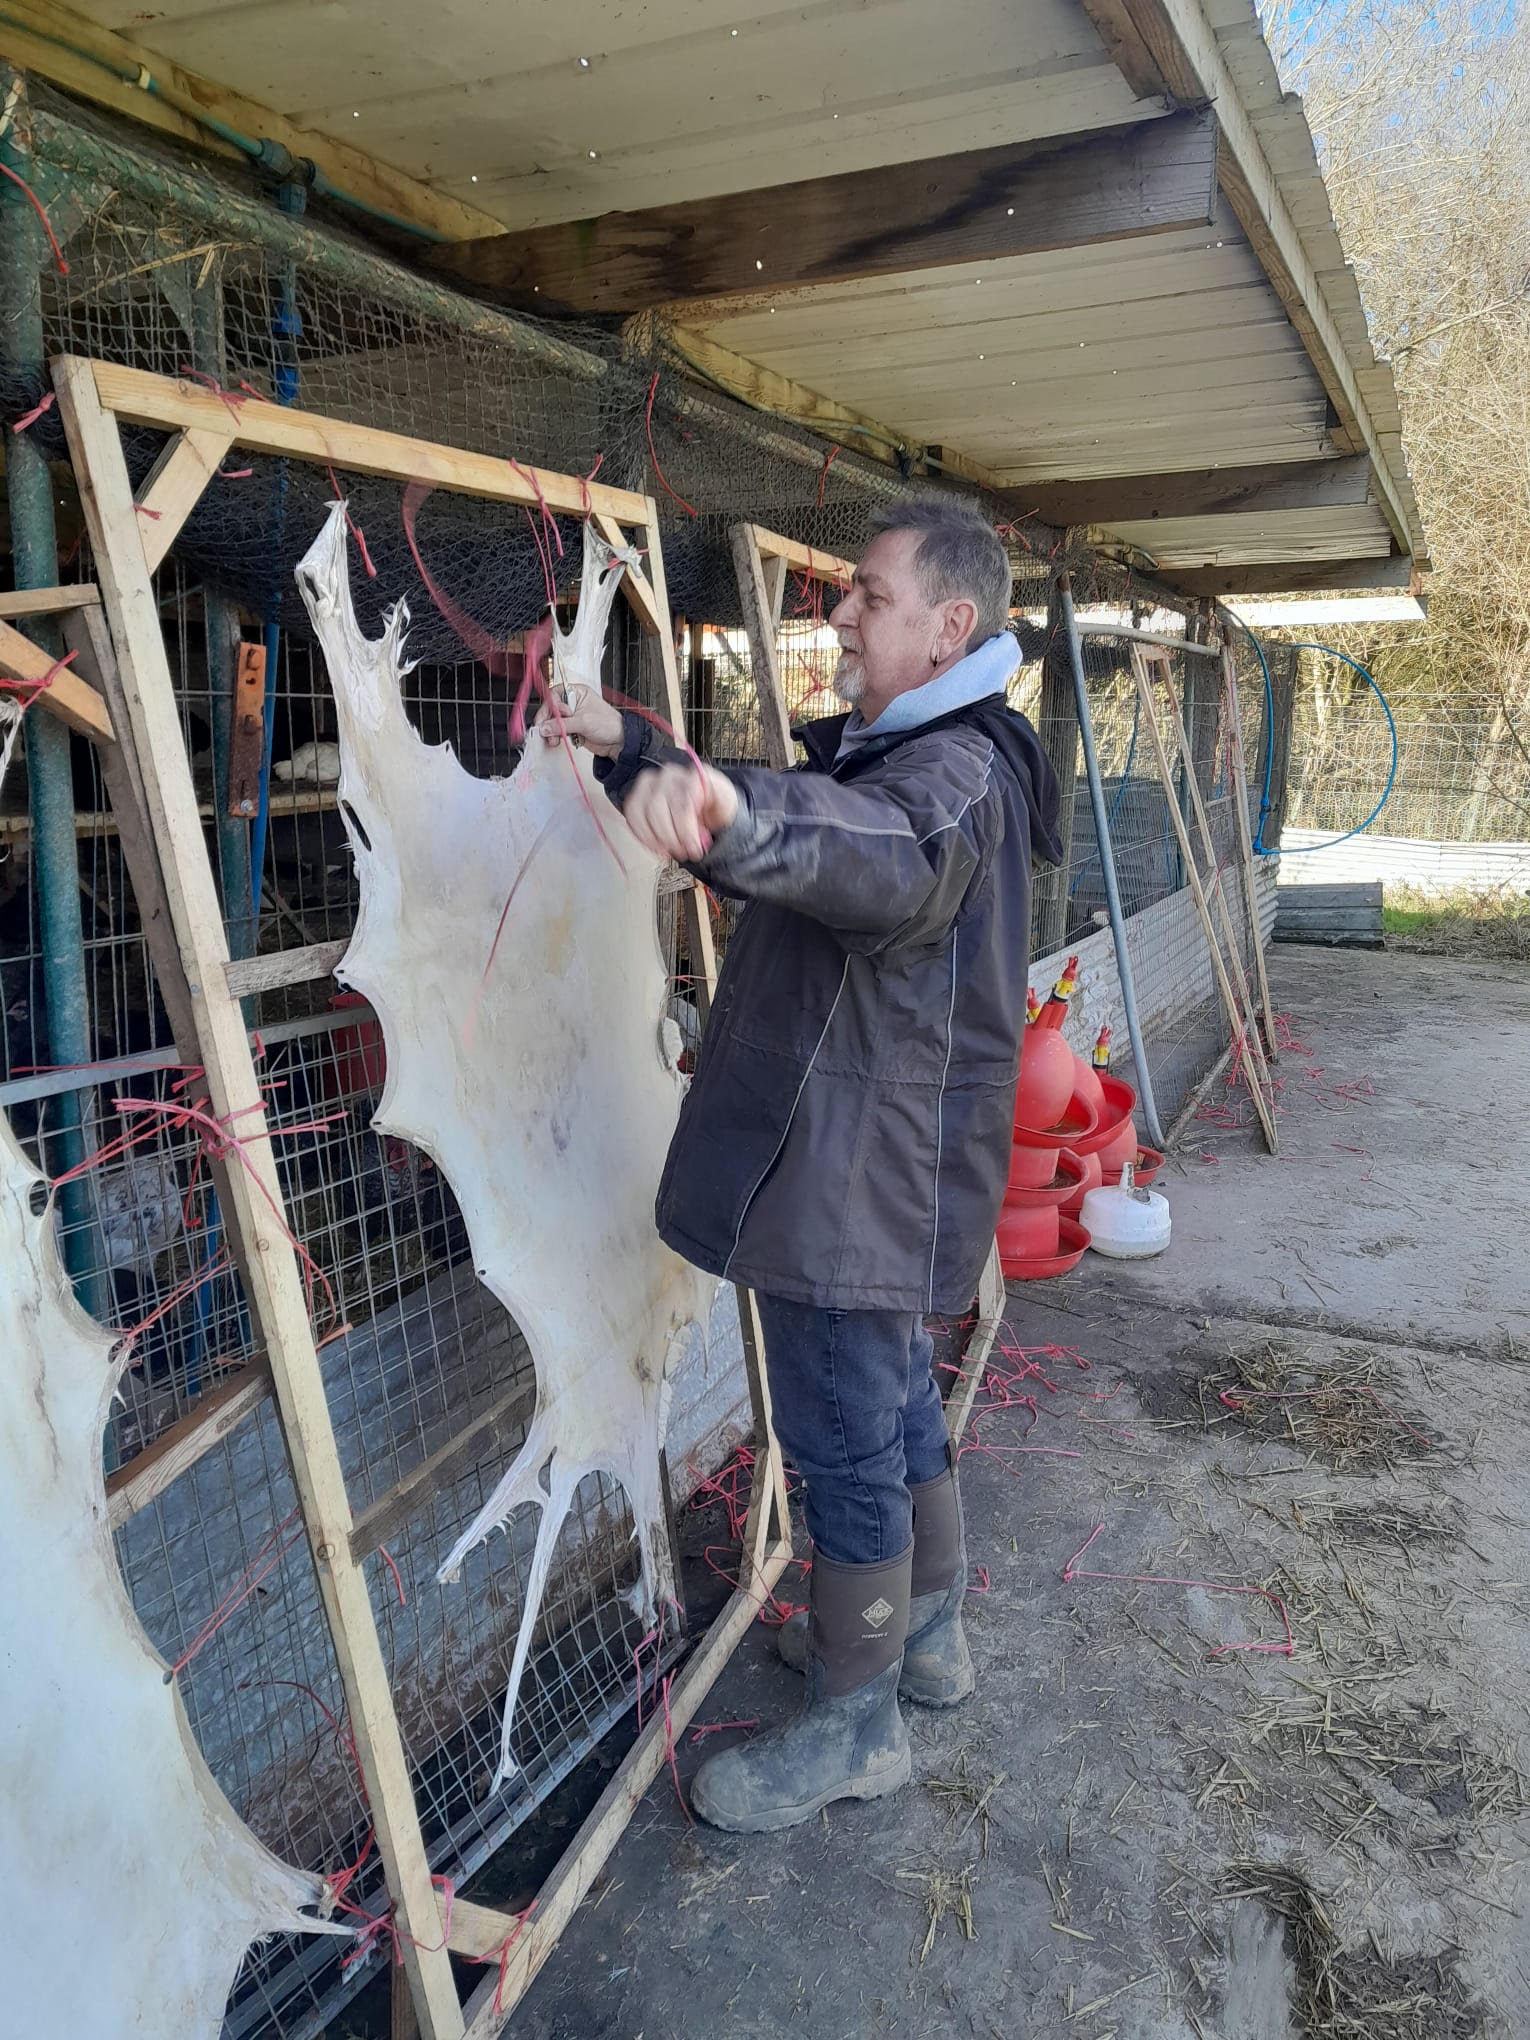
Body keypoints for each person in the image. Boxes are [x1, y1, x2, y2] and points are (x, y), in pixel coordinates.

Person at [538, 497, 1061, 1834]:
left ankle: (854, 1722)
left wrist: (726, 814)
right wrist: (639, 751)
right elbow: (820, 820)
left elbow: (868, 853)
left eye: (867, 597)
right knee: (885, 1416)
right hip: (878, 1172)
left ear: (949, 627)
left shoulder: (948, 780)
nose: (836, 614)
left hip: (847, 1185)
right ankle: (920, 1638)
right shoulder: (937, 750)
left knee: (840, 1444)